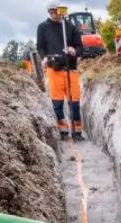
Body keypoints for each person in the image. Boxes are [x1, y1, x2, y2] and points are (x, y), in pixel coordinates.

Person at [37, 2, 84, 141]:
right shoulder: (43, 27)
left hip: (71, 69)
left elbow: (80, 47)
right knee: (57, 103)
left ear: (61, 12)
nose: (55, 15)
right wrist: (45, 58)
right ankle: (63, 131)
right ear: (49, 12)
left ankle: (77, 131)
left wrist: (74, 51)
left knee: (74, 103)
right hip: (54, 69)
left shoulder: (70, 27)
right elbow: (40, 47)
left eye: (57, 12)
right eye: (52, 12)